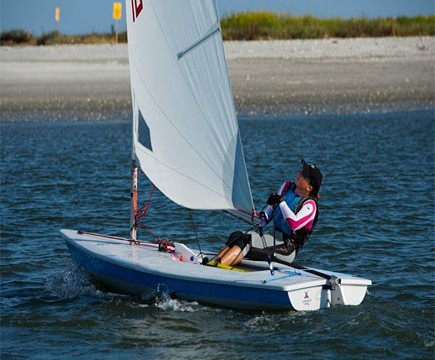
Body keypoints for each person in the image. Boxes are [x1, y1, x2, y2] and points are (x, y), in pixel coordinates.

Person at [209, 159, 323, 267]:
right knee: (236, 236)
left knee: (246, 241)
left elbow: (293, 224)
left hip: (287, 248)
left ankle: (217, 266)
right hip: (272, 237)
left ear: (309, 187)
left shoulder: (310, 205)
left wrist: (281, 202)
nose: (299, 173)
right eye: (301, 171)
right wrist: (255, 215)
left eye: (304, 175)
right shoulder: (286, 187)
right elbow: (265, 217)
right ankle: (212, 263)